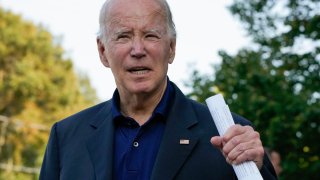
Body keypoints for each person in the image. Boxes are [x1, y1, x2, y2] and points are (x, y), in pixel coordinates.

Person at [39, 0, 277, 179]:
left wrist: (257, 169)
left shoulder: (229, 135)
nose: (138, 50)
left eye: (151, 35)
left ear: (171, 48)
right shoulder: (66, 136)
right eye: (123, 36)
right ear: (103, 52)